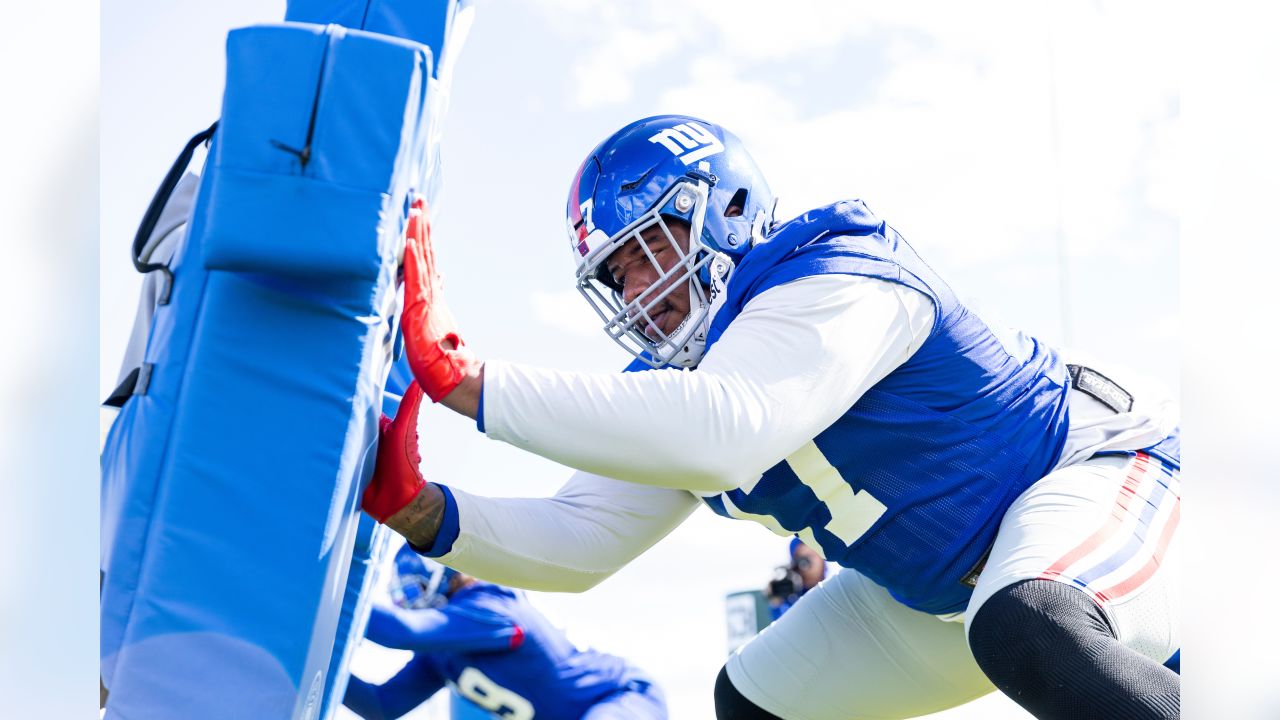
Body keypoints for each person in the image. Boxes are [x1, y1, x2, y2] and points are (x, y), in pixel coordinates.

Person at [359, 115, 1181, 720]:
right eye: (618, 275)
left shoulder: (834, 264)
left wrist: (463, 380)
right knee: (759, 702)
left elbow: (726, 429)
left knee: (1028, 625)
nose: (640, 289)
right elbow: (582, 540)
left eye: (650, 247)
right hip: (942, 591)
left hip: (1099, 472)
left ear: (725, 207)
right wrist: (421, 510)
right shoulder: (676, 387)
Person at [344, 544, 667, 720]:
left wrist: (328, 597)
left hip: (620, 697)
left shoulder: (490, 606)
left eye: (415, 590)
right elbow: (381, 707)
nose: (408, 602)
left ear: (445, 576)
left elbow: (400, 632)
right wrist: (314, 660)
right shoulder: (442, 651)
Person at [765, 538, 829, 621]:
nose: (808, 562)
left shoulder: (834, 586)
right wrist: (776, 601)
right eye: (803, 558)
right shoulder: (791, 597)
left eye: (812, 555)